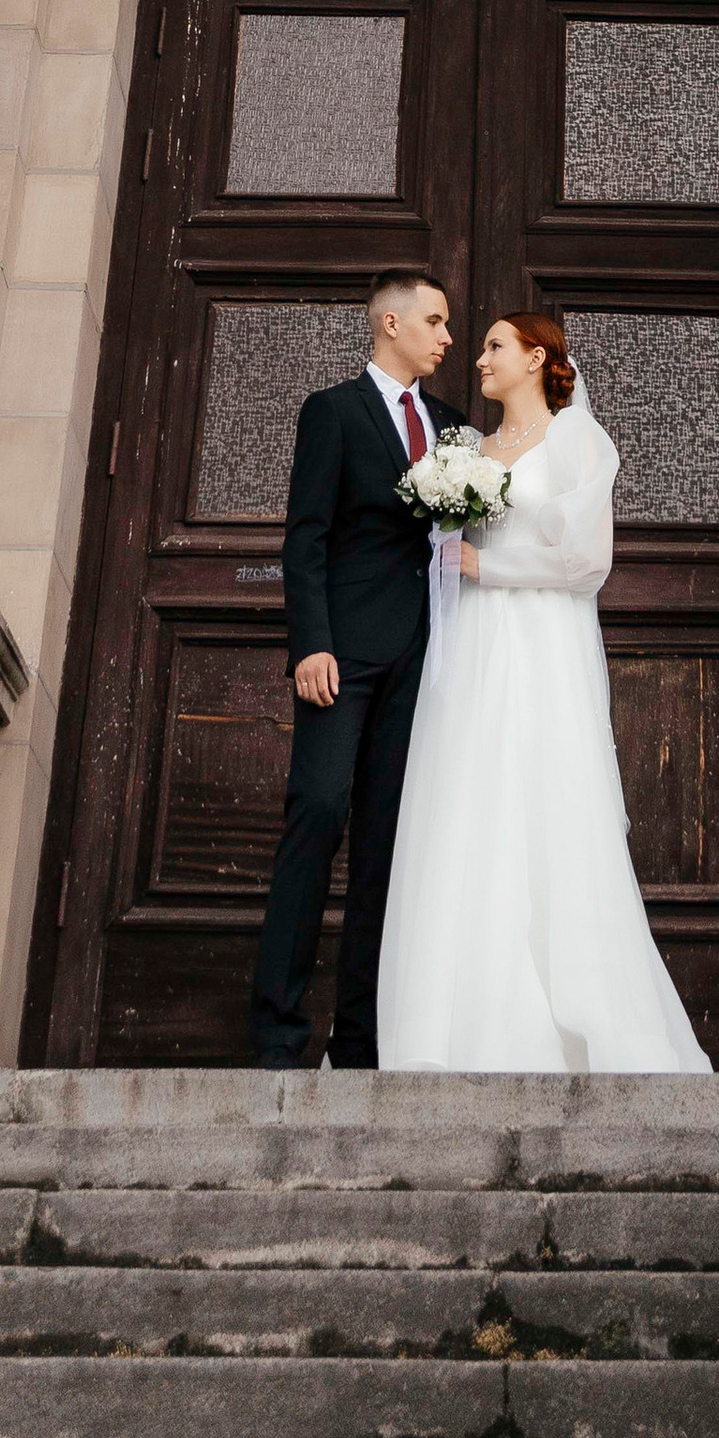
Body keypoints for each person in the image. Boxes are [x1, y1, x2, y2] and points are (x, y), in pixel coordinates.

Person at [376, 309, 710, 1073]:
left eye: (494, 346)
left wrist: (485, 570)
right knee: (470, 805)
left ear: (536, 357)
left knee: (543, 802)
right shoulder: (470, 450)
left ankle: (576, 1017)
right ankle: (460, 1024)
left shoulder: (572, 439)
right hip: (473, 649)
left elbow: (587, 565)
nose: (479, 358)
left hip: (540, 642)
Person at [249, 266, 462, 1068]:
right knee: (318, 815)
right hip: (342, 656)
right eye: (435, 322)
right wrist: (311, 642)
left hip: (424, 658)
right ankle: (276, 1032)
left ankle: (362, 1041)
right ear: (391, 325)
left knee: (386, 844)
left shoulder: (451, 427)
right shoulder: (333, 412)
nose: (448, 338)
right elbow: (305, 535)